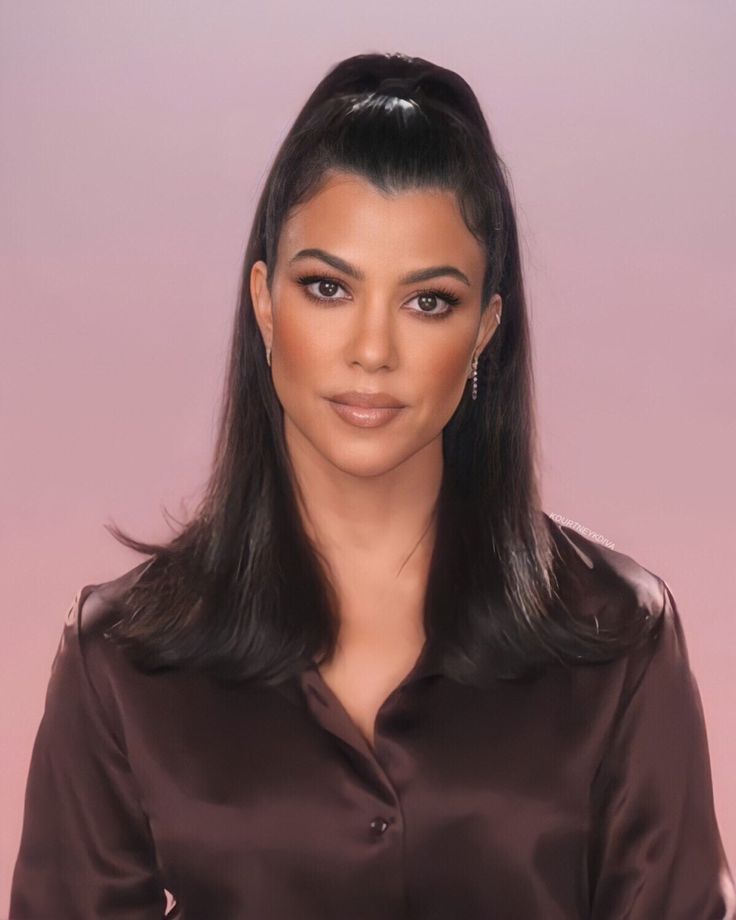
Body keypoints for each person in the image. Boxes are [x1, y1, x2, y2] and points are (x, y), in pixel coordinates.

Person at [9, 51, 735, 920]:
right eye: (327, 287)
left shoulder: (619, 637)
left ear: (484, 333)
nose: (373, 351)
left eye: (427, 301)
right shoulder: (118, 659)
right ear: (266, 306)